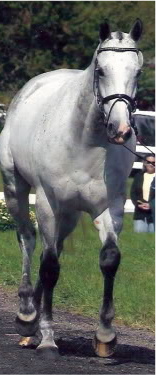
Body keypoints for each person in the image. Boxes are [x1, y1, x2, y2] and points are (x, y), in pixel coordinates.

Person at [130, 154, 155, 233]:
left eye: (153, 162)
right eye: (149, 162)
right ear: (144, 163)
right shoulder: (138, 176)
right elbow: (133, 193)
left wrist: (151, 205)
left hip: (154, 214)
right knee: (140, 238)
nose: (151, 164)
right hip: (140, 213)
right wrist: (138, 204)